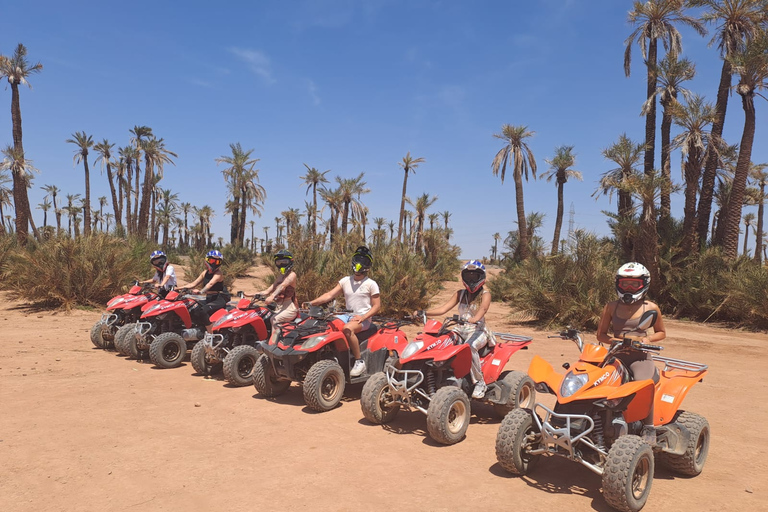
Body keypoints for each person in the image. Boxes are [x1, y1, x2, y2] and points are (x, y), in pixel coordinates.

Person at [596, 261, 667, 447]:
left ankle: (649, 428)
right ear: (617, 284)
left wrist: (647, 340)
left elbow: (661, 333)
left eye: (634, 284)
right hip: (616, 354)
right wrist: (616, 341)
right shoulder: (611, 306)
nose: (628, 287)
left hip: (640, 357)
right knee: (596, 382)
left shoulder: (651, 308)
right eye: (624, 283)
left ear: (644, 284)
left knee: (644, 385)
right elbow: (601, 335)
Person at [416, 260, 494, 399]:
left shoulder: (485, 294)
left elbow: (483, 308)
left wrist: (475, 319)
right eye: (468, 276)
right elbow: (443, 309)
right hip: (460, 329)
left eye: (474, 277)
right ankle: (438, 375)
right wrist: (424, 312)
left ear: (481, 277)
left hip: (478, 331)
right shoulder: (460, 294)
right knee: (441, 340)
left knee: (469, 347)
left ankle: (480, 383)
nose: (471, 279)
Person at [307, 246, 380, 377]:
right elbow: (329, 295)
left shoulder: (371, 284)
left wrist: (363, 317)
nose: (359, 263)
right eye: (357, 259)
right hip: (347, 316)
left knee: (347, 329)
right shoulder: (346, 281)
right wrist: (312, 303)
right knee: (326, 325)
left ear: (368, 264)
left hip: (363, 319)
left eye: (363, 260)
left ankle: (359, 361)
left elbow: (376, 306)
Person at [255, 249, 299, 343]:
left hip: (289, 307)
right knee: (263, 315)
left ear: (290, 262)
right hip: (279, 307)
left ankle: (273, 344)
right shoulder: (280, 276)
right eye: (279, 262)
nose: (282, 264)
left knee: (275, 319)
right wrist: (254, 294)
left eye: (284, 262)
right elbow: (269, 289)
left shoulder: (292, 275)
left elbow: (282, 286)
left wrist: (272, 296)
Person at [184, 249, 229, 333]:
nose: (214, 263)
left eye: (217, 262)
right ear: (207, 260)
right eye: (212, 260)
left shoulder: (218, 274)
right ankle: (200, 329)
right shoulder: (205, 273)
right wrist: (178, 288)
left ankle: (211, 334)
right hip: (209, 298)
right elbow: (193, 284)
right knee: (193, 308)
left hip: (218, 299)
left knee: (203, 311)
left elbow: (210, 284)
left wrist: (201, 292)